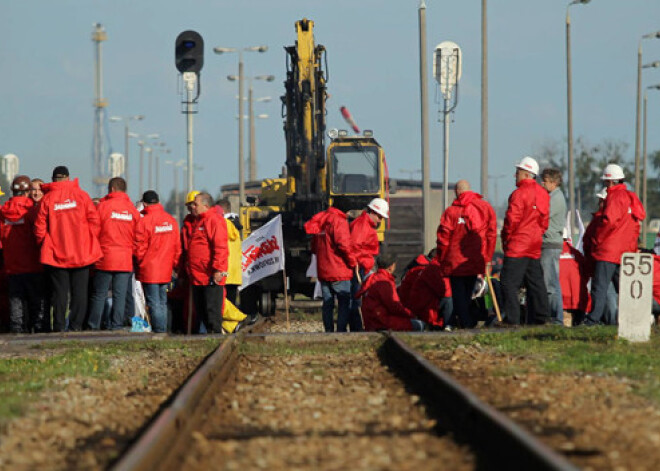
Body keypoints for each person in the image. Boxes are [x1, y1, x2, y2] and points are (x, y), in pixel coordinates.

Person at [34, 166, 102, 332]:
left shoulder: (48, 199)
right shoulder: (82, 196)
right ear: (68, 178)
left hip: (56, 254)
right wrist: (87, 239)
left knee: (60, 293)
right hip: (81, 252)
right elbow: (95, 221)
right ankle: (76, 326)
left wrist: (45, 243)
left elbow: (39, 228)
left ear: (53, 179)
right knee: (80, 293)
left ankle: (57, 326)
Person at [584, 164, 645, 325]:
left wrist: (598, 239)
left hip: (608, 250)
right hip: (625, 252)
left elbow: (608, 221)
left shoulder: (614, 197)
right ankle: (635, 320)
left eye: (605, 182)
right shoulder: (632, 198)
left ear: (610, 182)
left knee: (600, 286)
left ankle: (593, 320)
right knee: (626, 289)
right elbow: (635, 226)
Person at [436, 179, 497, 329]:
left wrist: (442, 259)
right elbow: (492, 234)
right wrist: (487, 258)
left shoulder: (451, 212)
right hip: (475, 259)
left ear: (456, 192)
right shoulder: (485, 207)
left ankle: (466, 323)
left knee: (458, 295)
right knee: (469, 292)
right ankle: (467, 322)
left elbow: (443, 239)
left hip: (455, 261)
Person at [499, 156, 551, 325]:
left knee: (508, 282)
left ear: (527, 174)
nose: (515, 175)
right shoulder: (543, 194)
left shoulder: (518, 194)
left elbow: (511, 221)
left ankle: (512, 319)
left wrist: (506, 240)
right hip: (534, 244)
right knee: (535, 283)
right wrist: (536, 234)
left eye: (518, 172)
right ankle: (543, 317)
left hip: (518, 245)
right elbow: (544, 221)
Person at [87, 177, 140, 330]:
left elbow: (94, 231)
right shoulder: (132, 210)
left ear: (111, 189)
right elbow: (138, 236)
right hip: (124, 259)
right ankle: (116, 326)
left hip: (104, 257)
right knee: (120, 295)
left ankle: (93, 326)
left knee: (99, 294)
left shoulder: (103, 207)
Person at [0, 175, 47, 333]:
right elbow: (39, 233)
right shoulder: (33, 211)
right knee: (36, 301)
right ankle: (38, 328)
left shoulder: (3, 212)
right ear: (27, 192)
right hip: (34, 264)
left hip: (12, 265)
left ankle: (16, 329)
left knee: (15, 300)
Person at [305, 205, 357, 332]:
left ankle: (328, 331)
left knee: (327, 303)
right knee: (344, 303)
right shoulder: (339, 221)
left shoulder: (321, 220)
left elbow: (313, 247)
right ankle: (341, 331)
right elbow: (343, 245)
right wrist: (353, 262)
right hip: (339, 270)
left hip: (323, 270)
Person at [134, 191, 181, 333]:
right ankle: (163, 330)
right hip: (166, 269)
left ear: (144, 203)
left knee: (154, 303)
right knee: (162, 302)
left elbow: (139, 249)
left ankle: (160, 331)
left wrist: (142, 264)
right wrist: (174, 265)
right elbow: (177, 246)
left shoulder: (144, 222)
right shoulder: (170, 220)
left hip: (150, 269)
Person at [187, 192, 228, 334]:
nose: (192, 207)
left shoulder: (214, 220)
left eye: (195, 204)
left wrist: (218, 269)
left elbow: (220, 247)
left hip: (210, 275)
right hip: (198, 276)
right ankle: (209, 336)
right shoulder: (199, 221)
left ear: (205, 205)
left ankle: (215, 336)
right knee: (202, 309)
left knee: (212, 311)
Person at [356, 252, 424, 332]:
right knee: (419, 324)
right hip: (381, 321)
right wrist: (411, 315)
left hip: (372, 320)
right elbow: (394, 306)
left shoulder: (372, 278)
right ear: (391, 267)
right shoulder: (384, 282)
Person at [349, 197, 388, 332]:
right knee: (357, 299)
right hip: (359, 267)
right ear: (372, 212)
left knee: (358, 298)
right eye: (379, 217)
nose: (380, 220)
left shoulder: (364, 224)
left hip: (362, 266)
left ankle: (358, 327)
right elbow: (354, 247)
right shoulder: (362, 226)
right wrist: (360, 263)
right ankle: (357, 328)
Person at [539, 168, 567, 326]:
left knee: (550, 283)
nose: (543, 184)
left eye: (546, 181)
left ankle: (556, 318)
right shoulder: (553, 196)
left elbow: (543, 214)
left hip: (550, 244)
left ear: (554, 182)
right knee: (550, 282)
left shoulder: (555, 198)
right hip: (550, 243)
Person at [405, 258, 452, 329]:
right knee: (449, 299)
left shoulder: (427, 269)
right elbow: (444, 292)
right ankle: (448, 324)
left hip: (417, 308)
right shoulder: (434, 269)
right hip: (424, 309)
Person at [215, 199, 242, 306]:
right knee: (231, 303)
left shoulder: (222, 224)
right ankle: (234, 322)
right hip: (234, 272)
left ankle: (229, 322)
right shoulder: (235, 223)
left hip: (224, 270)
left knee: (222, 305)